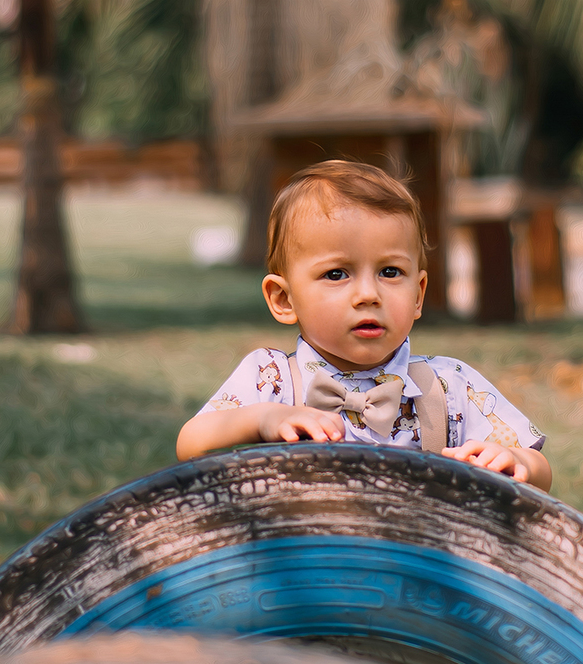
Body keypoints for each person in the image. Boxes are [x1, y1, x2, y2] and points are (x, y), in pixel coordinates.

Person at [177, 159, 552, 490]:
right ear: (283, 299)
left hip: (416, 564)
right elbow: (191, 444)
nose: (368, 294)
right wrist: (264, 419)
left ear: (418, 294)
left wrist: (516, 463)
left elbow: (539, 471)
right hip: (302, 565)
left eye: (390, 272)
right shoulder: (269, 378)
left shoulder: (449, 386)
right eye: (337, 274)